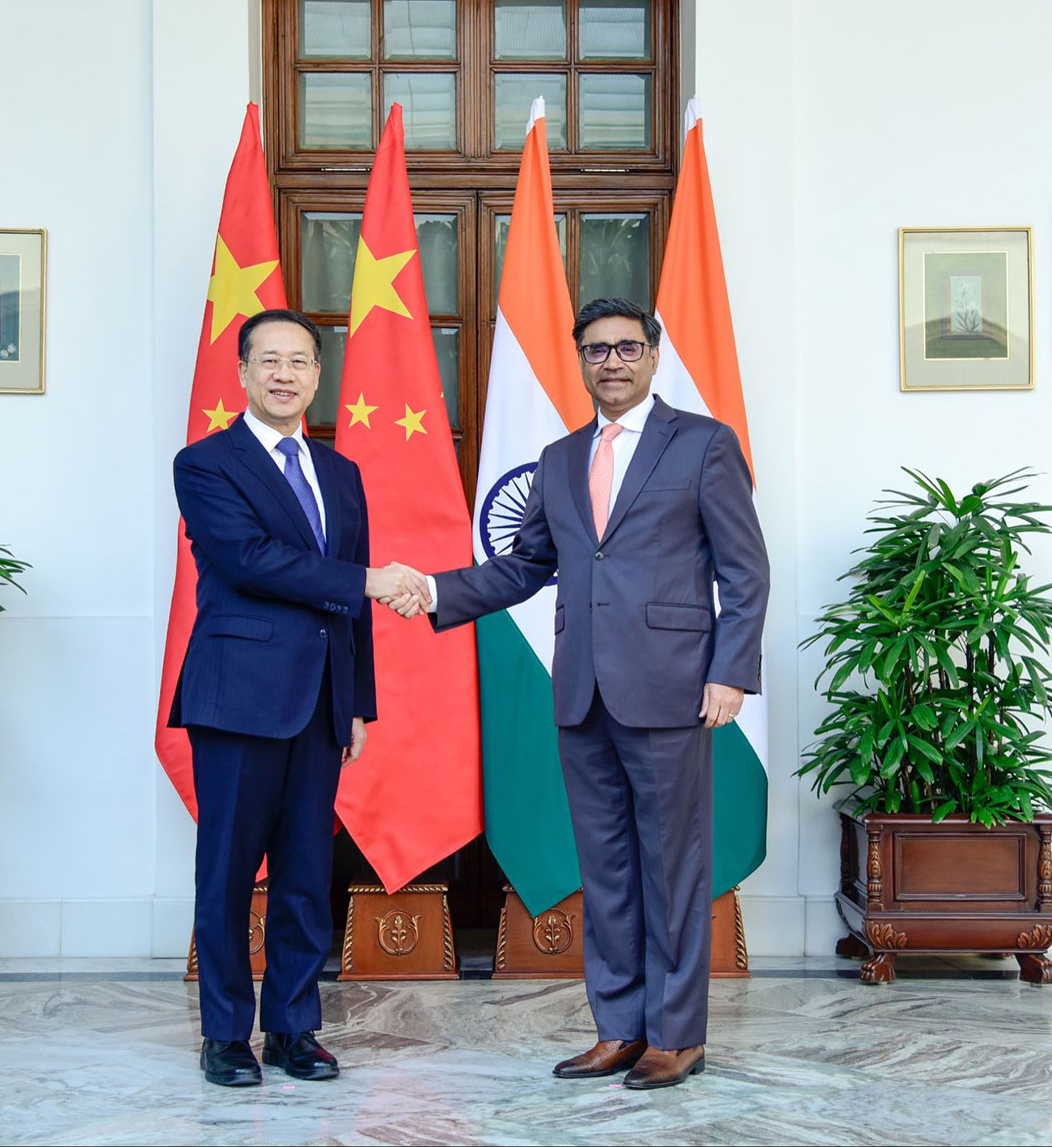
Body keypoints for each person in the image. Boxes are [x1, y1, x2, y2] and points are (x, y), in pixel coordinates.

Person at [393, 296, 769, 1090]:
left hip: (672, 689)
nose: (613, 362)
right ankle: (619, 1029)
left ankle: (675, 1035)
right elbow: (525, 564)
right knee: (604, 870)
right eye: (597, 350)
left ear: (654, 355)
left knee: (671, 871)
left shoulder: (702, 444)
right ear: (582, 360)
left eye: (628, 348)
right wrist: (434, 592)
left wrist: (730, 670)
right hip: (583, 693)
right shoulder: (560, 458)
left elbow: (744, 569)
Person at [170, 308, 427, 1087]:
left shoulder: (340, 472)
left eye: (301, 361)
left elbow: (347, 607)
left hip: (320, 703)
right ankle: (224, 1035)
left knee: (306, 874)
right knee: (225, 875)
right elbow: (249, 561)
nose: (285, 374)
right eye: (269, 360)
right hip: (238, 696)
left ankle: (292, 1028)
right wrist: (368, 580)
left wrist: (357, 701)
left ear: (319, 375)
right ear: (243, 373)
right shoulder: (205, 464)